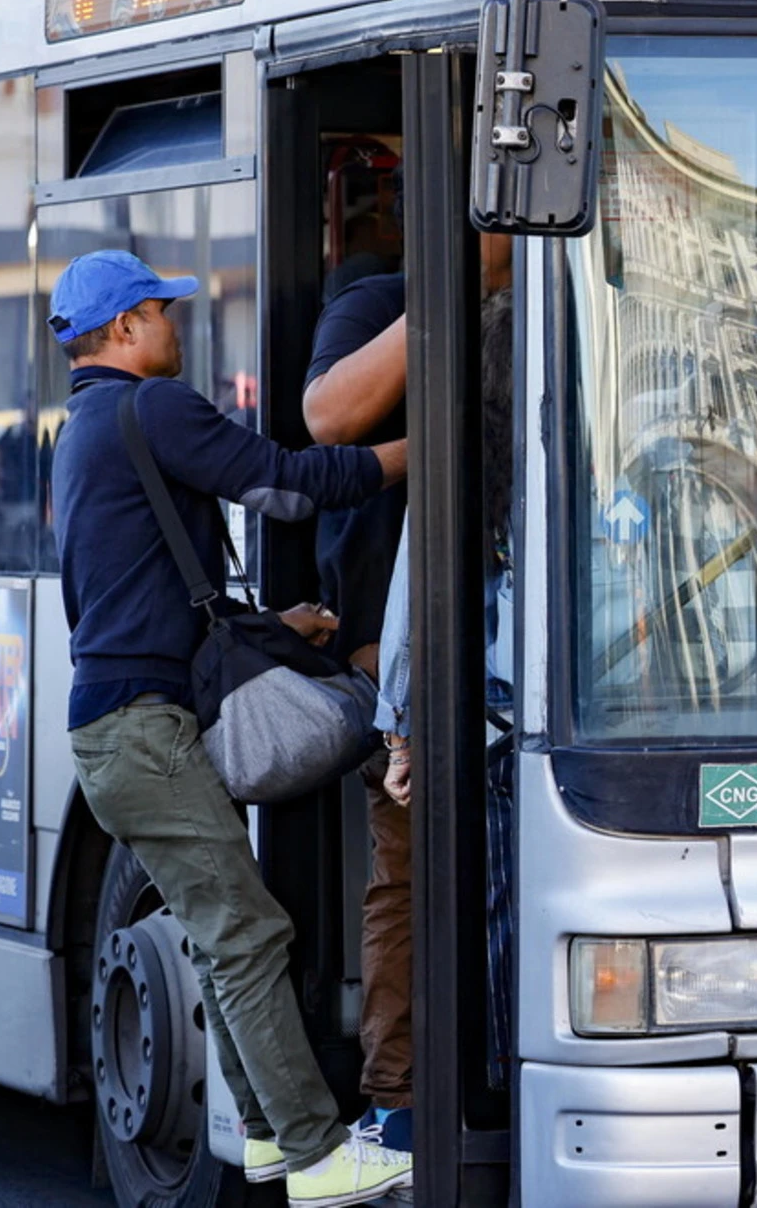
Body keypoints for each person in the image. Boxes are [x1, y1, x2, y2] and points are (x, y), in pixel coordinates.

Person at [47, 249, 411, 1207]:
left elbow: (135, 596)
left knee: (218, 939)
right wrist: (427, 446)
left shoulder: (82, 426)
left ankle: (257, 1134)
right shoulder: (154, 408)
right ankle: (319, 1154)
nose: (177, 326)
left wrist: (270, 628)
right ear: (125, 329)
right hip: (145, 736)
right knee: (249, 935)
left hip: (113, 734)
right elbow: (290, 485)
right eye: (163, 312)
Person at [302, 230, 513, 1150]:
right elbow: (326, 421)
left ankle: (501, 1078)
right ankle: (398, 1101)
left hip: (529, 651)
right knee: (411, 871)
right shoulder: (382, 301)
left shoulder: (572, 302)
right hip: (401, 654)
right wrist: (456, 286)